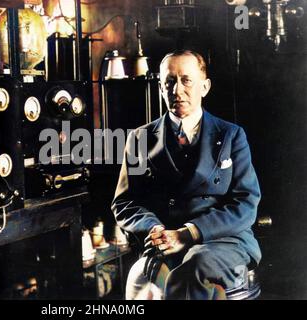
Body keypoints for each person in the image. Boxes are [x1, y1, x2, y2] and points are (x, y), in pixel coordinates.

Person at [111, 50, 261, 300]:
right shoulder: (139, 139)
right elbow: (125, 202)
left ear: (205, 86)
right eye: (169, 82)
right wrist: (155, 230)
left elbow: (246, 203)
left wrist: (188, 233)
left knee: (192, 266)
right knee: (141, 277)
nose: (177, 90)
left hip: (223, 240)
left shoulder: (231, 135)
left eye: (186, 80)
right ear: (160, 88)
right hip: (164, 238)